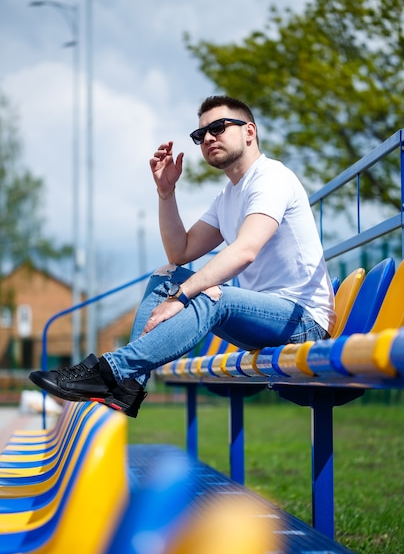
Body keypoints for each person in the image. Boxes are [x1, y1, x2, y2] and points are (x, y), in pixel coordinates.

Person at [30, 95, 336, 418]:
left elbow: (245, 250)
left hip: (303, 321)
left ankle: (109, 371)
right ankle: (127, 386)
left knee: (213, 294)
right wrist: (166, 193)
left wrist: (184, 295)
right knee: (165, 277)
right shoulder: (227, 197)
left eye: (218, 127)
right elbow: (180, 252)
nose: (207, 138)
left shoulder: (272, 178)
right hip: (263, 319)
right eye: (199, 135)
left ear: (249, 132)